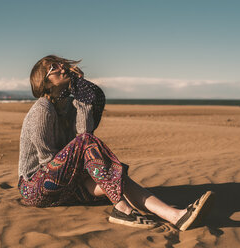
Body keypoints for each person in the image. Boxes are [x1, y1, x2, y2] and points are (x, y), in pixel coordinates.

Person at [18, 55, 214, 230]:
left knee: (114, 175)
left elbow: (84, 133)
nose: (62, 67)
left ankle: (175, 215)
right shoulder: (42, 109)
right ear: (44, 82)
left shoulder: (68, 106)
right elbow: (48, 160)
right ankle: (121, 208)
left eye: (61, 63)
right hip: (34, 187)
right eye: (54, 67)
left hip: (61, 184)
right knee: (99, 161)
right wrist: (87, 172)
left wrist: (82, 98)